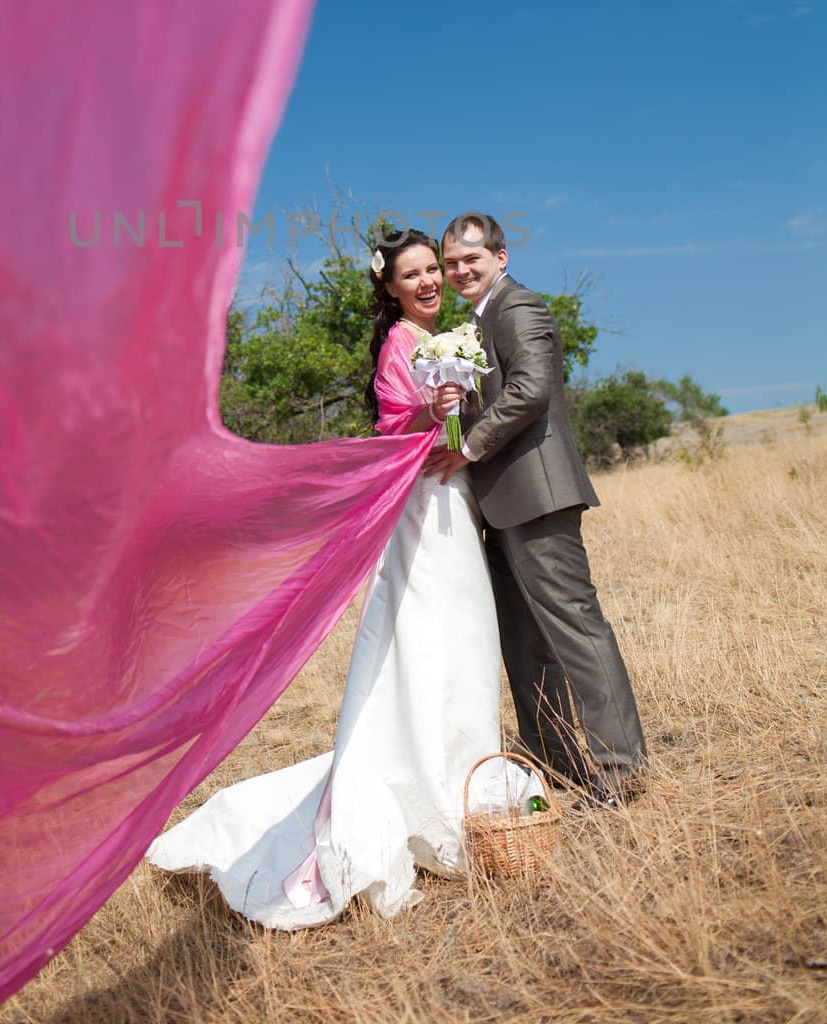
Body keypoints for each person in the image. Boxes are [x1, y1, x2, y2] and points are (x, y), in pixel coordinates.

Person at [147, 230, 542, 926]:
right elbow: (403, 425)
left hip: (447, 500)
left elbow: (449, 431)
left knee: (456, 643)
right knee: (429, 644)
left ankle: (455, 771)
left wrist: (456, 419)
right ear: (388, 288)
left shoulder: (445, 335)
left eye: (431, 272)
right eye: (410, 275)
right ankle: (430, 786)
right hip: (424, 512)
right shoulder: (401, 344)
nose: (426, 282)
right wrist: (438, 409)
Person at [426, 212, 646, 808]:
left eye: (472, 258)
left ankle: (622, 770)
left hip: (537, 496)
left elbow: (531, 389)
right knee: (523, 645)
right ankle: (557, 766)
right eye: (451, 263)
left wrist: (467, 449)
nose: (460, 270)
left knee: (575, 629)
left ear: (501, 258)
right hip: (497, 505)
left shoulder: (518, 307)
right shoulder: (472, 322)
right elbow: (493, 397)